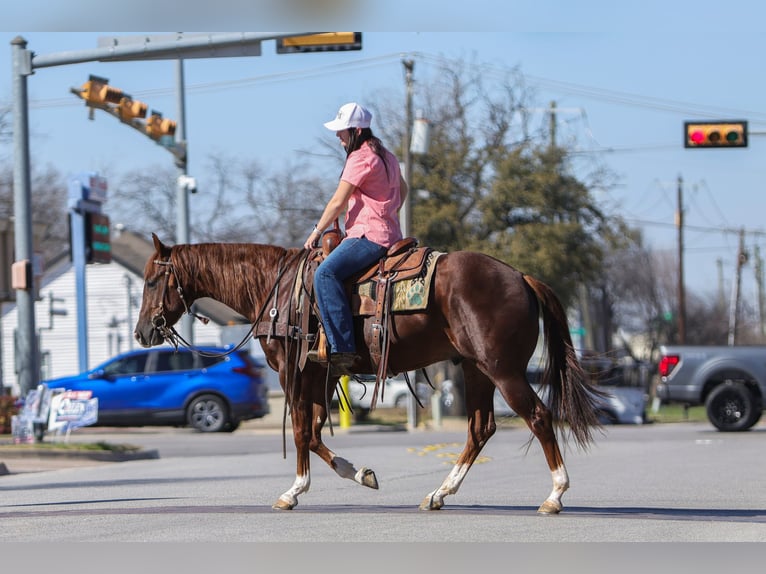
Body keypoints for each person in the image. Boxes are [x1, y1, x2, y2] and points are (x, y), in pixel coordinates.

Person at [304, 102, 409, 373]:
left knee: (325, 274)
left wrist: (316, 232)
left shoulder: (360, 157)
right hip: (390, 233)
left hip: (368, 235)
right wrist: (389, 212)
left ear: (357, 130)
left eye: (342, 131)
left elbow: (338, 201)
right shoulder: (387, 155)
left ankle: (342, 349)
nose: (338, 136)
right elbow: (404, 189)